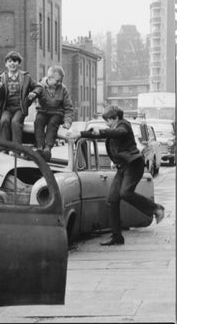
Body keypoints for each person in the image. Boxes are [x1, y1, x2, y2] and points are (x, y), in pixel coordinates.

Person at [66, 105, 165, 245]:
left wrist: (100, 131)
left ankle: (156, 208)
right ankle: (117, 236)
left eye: (109, 121)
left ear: (116, 118)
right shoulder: (114, 128)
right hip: (122, 168)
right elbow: (104, 135)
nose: (107, 124)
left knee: (125, 193)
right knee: (112, 200)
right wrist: (80, 134)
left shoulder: (124, 125)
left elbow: (119, 133)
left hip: (134, 166)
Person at [32, 66, 74, 161]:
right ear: (49, 78)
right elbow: (35, 93)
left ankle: (48, 148)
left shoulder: (63, 89)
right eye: (57, 81)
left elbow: (68, 107)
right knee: (38, 121)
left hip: (57, 113)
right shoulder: (41, 86)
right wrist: (32, 95)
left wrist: (67, 122)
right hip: (43, 111)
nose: (59, 83)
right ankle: (40, 147)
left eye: (61, 81)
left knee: (53, 123)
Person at [0, 51, 37, 146]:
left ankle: (16, 149)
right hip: (7, 108)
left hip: (20, 108)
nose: (12, 63)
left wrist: (33, 93)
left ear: (19, 63)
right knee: (4, 121)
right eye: (9, 61)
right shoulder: (1, 78)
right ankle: (4, 148)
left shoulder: (26, 77)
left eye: (15, 61)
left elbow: (37, 86)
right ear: (6, 64)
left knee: (15, 122)